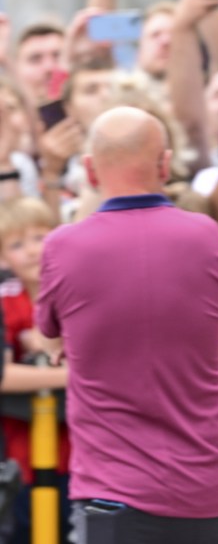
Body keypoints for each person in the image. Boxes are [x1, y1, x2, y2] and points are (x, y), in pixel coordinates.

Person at [34, 107, 218, 543]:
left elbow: (49, 339)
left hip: (113, 492)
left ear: (90, 171)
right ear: (165, 165)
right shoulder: (206, 236)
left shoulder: (63, 246)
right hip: (210, 491)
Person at [0, 198, 70, 542]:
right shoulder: (6, 302)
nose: (30, 251)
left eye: (39, 237)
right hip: (21, 452)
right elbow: (4, 375)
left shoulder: (77, 292)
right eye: (16, 244)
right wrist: (68, 374)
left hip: (79, 453)